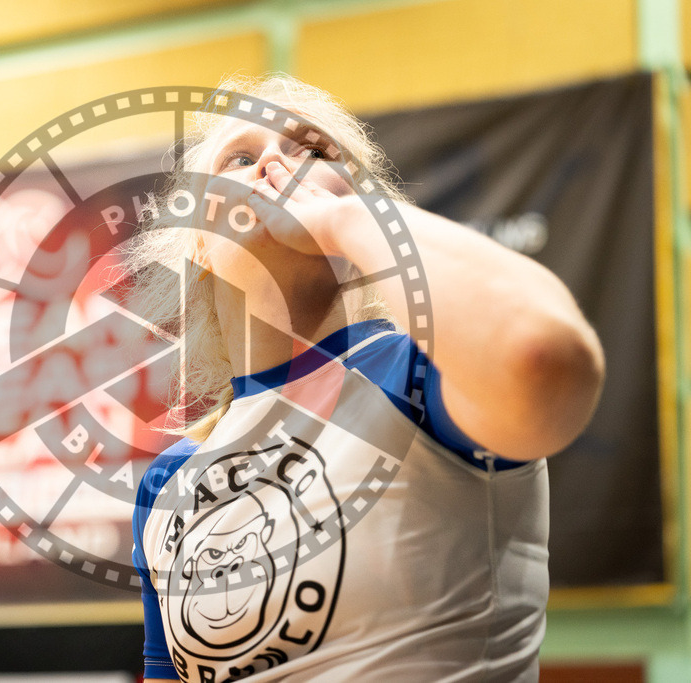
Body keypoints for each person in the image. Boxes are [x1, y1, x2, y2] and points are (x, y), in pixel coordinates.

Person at [128, 74, 604, 682]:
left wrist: (342, 218)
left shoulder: (419, 376)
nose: (276, 160)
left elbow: (545, 355)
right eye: (241, 157)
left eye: (315, 152)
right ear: (198, 241)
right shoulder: (171, 480)